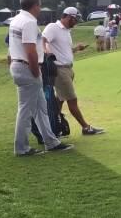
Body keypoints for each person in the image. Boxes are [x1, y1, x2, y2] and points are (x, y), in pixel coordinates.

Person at [8, 0, 74, 155]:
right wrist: (36, 72)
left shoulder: (16, 19)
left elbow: (11, 48)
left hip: (18, 66)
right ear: (35, 5)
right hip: (28, 68)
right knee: (26, 110)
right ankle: (21, 148)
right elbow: (30, 51)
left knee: (41, 108)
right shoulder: (29, 22)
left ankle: (50, 141)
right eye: (39, 5)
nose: (39, 8)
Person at [43, 7, 105, 136]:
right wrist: (47, 52)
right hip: (60, 70)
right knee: (72, 99)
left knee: (59, 100)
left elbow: (64, 51)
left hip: (68, 69)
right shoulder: (53, 27)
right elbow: (43, 41)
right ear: (69, 17)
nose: (76, 22)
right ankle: (85, 127)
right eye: (75, 19)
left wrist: (77, 49)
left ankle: (54, 127)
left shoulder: (66, 31)